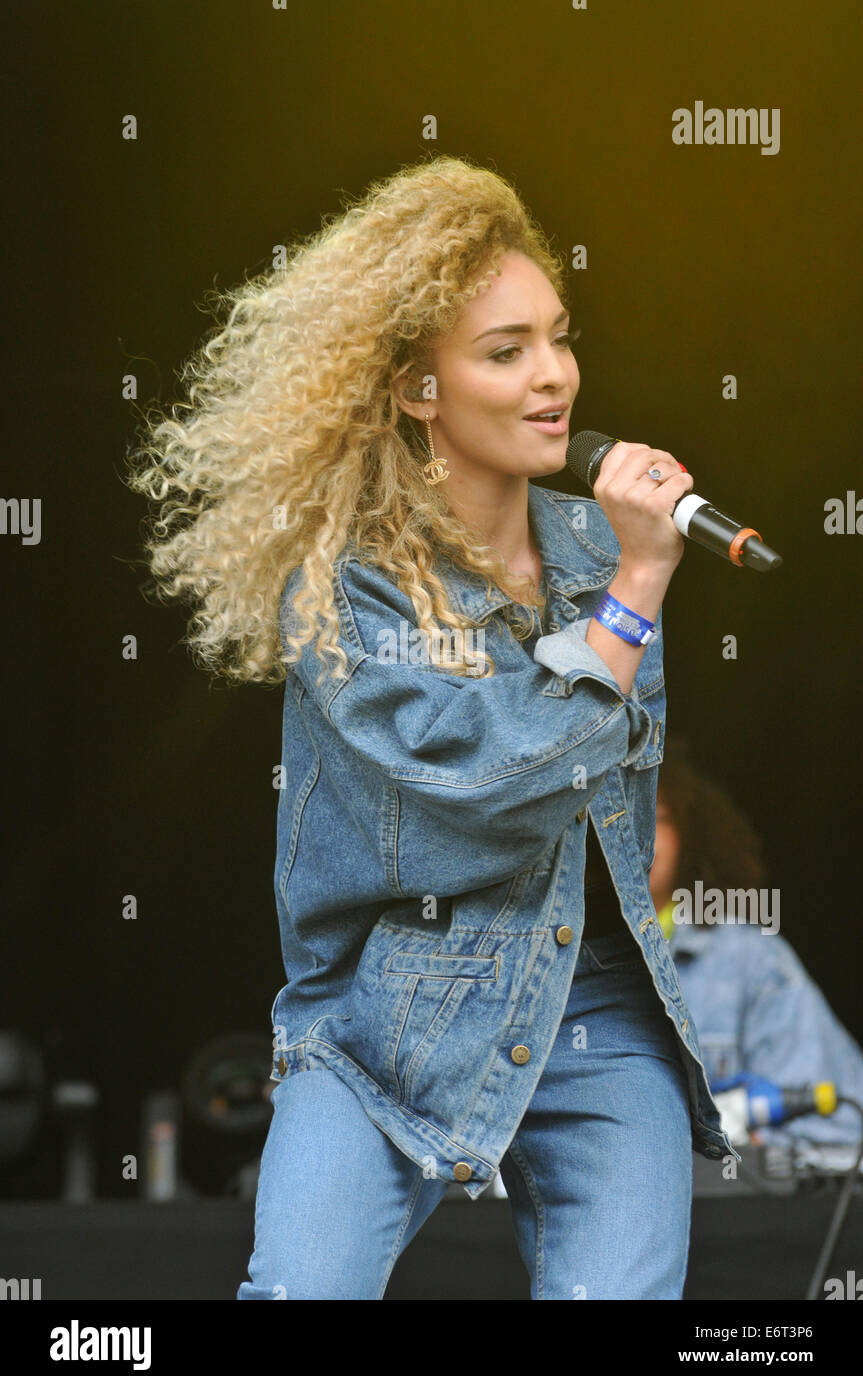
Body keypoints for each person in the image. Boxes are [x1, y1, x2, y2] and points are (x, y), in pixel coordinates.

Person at [126, 154, 738, 1301]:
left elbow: (603, 769)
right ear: (418, 388)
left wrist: (625, 585)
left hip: (591, 998)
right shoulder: (345, 584)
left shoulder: (603, 551)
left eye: (557, 336)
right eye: (504, 352)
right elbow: (481, 784)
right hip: (380, 1012)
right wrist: (636, 600)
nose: (553, 375)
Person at [651, 739, 863, 1151]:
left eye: (657, 815)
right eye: (615, 817)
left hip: (724, 1215)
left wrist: (739, 1144)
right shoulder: (539, 956)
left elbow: (842, 1124)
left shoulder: (748, 959)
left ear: (690, 835)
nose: (636, 830)